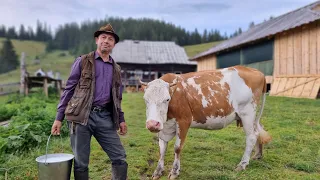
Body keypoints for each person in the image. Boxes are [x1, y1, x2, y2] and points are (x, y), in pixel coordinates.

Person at [51, 23, 128, 180]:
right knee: (81, 162)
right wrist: (59, 117)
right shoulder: (83, 61)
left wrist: (121, 119)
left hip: (105, 117)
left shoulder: (117, 69)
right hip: (80, 117)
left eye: (110, 39)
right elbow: (69, 89)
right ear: (97, 40)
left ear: (114, 44)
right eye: (103, 37)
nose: (106, 41)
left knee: (119, 157)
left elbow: (117, 98)